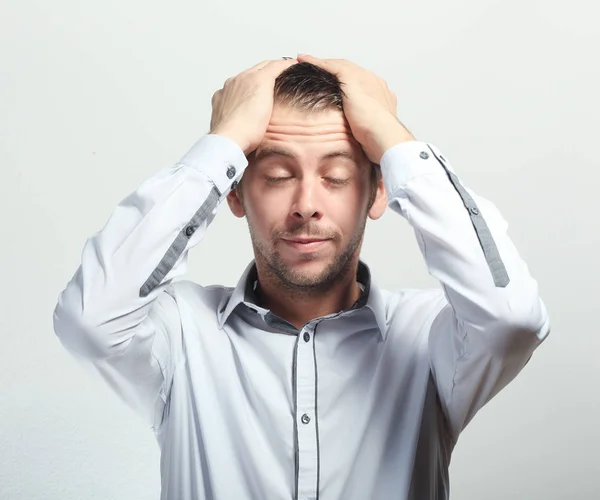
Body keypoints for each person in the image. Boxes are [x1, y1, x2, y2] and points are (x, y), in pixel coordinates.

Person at [53, 55, 550, 500]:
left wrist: (394, 138)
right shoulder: (181, 334)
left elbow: (513, 318)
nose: (306, 206)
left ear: (380, 193)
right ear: (234, 192)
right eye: (276, 176)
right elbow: (89, 319)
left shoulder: (430, 340)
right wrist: (221, 147)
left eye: (335, 177)